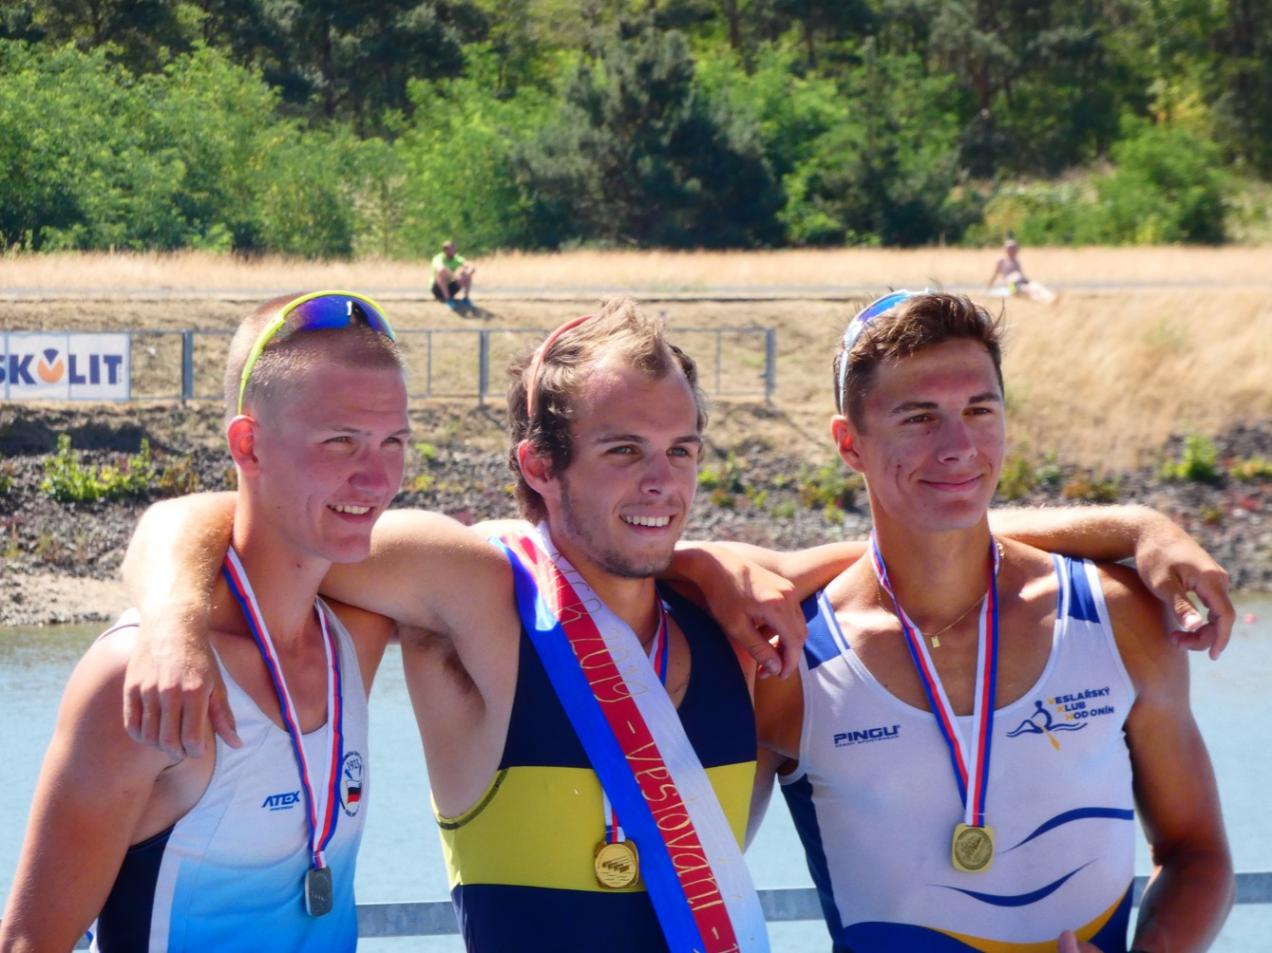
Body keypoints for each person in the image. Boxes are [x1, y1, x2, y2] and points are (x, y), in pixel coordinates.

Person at [115, 299, 1233, 952]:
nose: (661, 484)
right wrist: (168, 615)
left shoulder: (733, 613)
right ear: (538, 467)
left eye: (681, 450)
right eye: (621, 451)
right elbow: (251, 512)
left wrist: (1130, 525)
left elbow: (924, 524)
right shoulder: (476, 594)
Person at [754, 291, 1233, 951]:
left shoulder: (1118, 617)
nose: (958, 447)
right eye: (919, 417)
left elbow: (1197, 853)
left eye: (979, 411)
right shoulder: (787, 658)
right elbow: (694, 880)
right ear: (849, 443)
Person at [0, 291, 409, 950]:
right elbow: (29, 942)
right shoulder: (138, 675)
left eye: (394, 442)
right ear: (249, 445)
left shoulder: (355, 634)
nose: (376, 479)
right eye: (341, 441)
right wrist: (172, 620)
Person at [987, 237, 1056, 304]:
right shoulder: (1002, 261)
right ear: (1005, 249)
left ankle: (1051, 298)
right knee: (1029, 292)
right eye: (1010, 248)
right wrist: (989, 287)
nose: (1012, 250)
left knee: (1036, 286)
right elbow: (995, 275)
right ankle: (1047, 302)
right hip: (1011, 286)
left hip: (1021, 282)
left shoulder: (1016, 261)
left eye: (1014, 248)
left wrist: (1028, 281)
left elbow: (1021, 275)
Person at [432, 239, 476, 309]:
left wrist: (468, 273)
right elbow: (440, 269)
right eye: (451, 248)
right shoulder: (438, 258)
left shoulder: (456, 258)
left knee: (466, 274)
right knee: (441, 274)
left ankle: (466, 299)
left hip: (450, 286)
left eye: (454, 248)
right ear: (445, 250)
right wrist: (454, 276)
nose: (454, 250)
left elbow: (471, 266)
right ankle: (448, 300)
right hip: (437, 288)